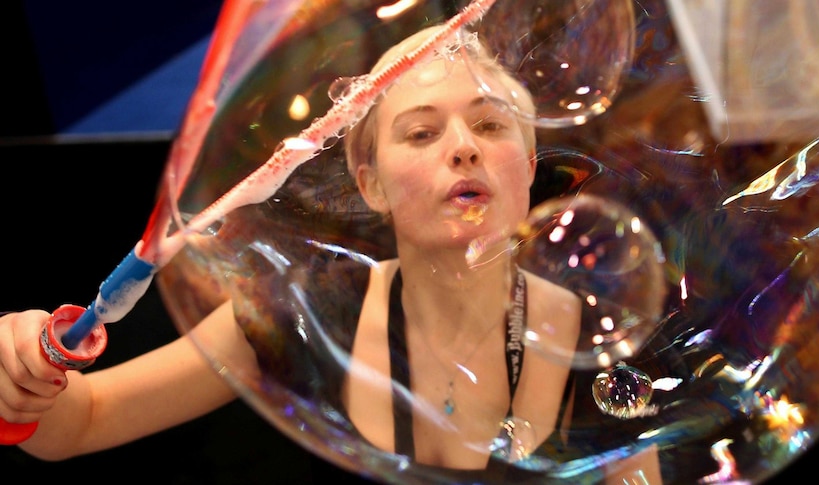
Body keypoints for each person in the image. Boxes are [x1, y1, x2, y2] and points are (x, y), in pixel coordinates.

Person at [0, 23, 582, 478]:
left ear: (529, 168)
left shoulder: (603, 333)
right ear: (370, 183)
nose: (464, 148)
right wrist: (20, 368)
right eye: (422, 132)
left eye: (489, 125)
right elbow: (83, 420)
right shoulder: (307, 308)